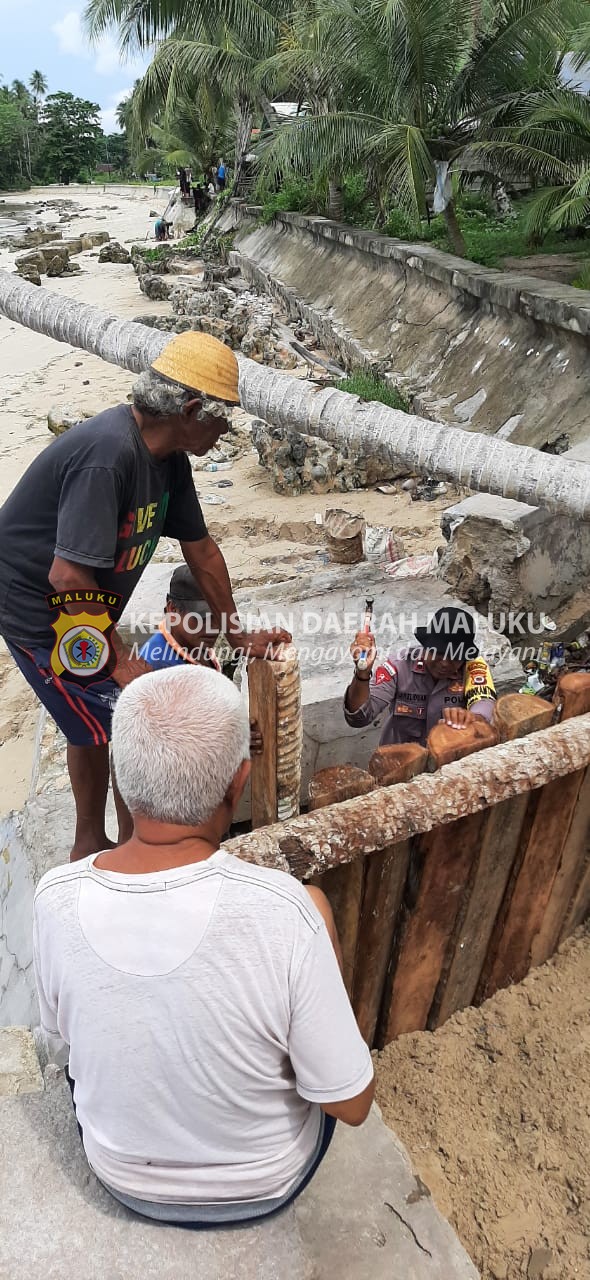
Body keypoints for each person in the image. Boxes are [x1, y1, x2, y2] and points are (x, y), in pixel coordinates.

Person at [33, 666, 374, 1226]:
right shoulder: (286, 910)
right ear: (239, 783)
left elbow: (66, 1040)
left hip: (119, 1176)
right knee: (315, 905)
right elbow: (351, 1104)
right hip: (266, 1183)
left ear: (120, 776)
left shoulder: (56, 897)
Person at [0, 332, 290, 861]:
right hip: (36, 608)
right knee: (118, 714)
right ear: (193, 409)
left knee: (91, 721)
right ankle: (129, 847)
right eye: (222, 420)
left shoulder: (170, 459)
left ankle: (96, 838)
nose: (223, 433)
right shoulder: (108, 456)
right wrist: (118, 658)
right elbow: (66, 577)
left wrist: (238, 634)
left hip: (79, 605)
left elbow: (201, 552)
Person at [344, 605, 496, 747]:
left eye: (454, 657)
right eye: (438, 652)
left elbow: (485, 706)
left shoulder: (474, 668)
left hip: (449, 766)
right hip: (398, 767)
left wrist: (473, 719)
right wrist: (362, 674)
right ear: (426, 645)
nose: (444, 663)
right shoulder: (399, 666)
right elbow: (359, 718)